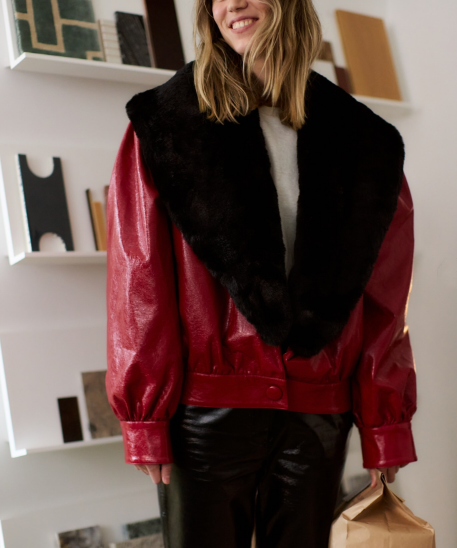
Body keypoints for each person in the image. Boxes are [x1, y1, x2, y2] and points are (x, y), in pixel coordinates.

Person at [105, 0, 418, 546]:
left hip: (319, 417)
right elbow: (139, 281)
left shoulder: (365, 141)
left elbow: (384, 299)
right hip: (206, 416)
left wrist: (385, 422)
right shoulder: (167, 123)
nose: (233, 4)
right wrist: (144, 417)